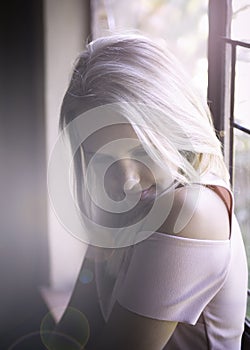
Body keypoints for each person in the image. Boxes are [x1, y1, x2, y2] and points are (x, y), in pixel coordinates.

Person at [49, 34, 248, 349]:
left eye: (143, 152)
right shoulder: (125, 195)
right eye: (103, 159)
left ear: (175, 128)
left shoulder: (192, 212)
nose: (127, 181)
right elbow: (72, 331)